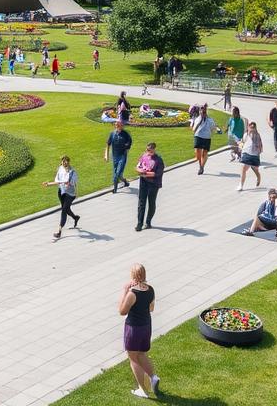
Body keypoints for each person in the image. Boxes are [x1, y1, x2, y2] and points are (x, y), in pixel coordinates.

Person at [118, 264, 158, 399]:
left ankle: (143, 390)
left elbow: (122, 311)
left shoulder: (132, 294)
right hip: (146, 326)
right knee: (142, 354)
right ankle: (153, 377)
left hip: (134, 328)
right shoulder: (151, 290)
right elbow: (151, 308)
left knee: (133, 358)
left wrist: (125, 290)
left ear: (133, 276)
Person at [42, 156, 80, 240]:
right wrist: (48, 184)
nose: (65, 163)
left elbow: (71, 182)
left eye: (66, 162)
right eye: (63, 161)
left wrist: (76, 193)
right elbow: (57, 181)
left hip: (70, 194)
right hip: (61, 192)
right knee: (66, 209)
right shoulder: (60, 169)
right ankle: (75, 217)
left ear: (69, 162)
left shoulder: (72, 172)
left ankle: (59, 231)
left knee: (63, 210)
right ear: (61, 162)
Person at [134, 143, 164, 232]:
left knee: (151, 202)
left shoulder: (158, 160)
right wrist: (139, 170)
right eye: (147, 150)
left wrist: (144, 173)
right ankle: (139, 223)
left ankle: (148, 222)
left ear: (154, 149)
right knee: (141, 203)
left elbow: (157, 173)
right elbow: (137, 166)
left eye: (150, 150)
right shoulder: (144, 156)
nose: (148, 152)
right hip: (143, 182)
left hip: (153, 184)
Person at [105, 120, 133, 193]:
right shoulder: (112, 134)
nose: (117, 125)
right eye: (116, 124)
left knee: (117, 173)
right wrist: (106, 155)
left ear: (122, 125)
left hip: (122, 156)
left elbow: (128, 146)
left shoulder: (126, 134)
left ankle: (115, 189)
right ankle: (125, 181)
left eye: (119, 124)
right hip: (115, 156)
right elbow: (108, 144)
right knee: (118, 174)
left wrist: (124, 155)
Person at [190, 104, 218, 175]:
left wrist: (213, 128)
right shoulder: (197, 119)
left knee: (204, 153)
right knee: (197, 152)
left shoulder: (210, 120)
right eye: (201, 110)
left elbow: (213, 128)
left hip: (206, 137)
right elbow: (193, 129)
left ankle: (202, 167)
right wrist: (199, 122)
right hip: (198, 136)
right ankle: (200, 164)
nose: (203, 112)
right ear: (200, 111)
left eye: (204, 111)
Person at [237, 121, 263, 192]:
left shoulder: (257, 135)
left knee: (255, 169)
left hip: (254, 155)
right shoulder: (246, 135)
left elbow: (260, 146)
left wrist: (259, 151)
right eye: (250, 127)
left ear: (255, 128)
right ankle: (241, 185)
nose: (251, 129)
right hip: (246, 153)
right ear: (248, 127)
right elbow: (243, 142)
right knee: (243, 168)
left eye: (253, 127)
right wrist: (240, 147)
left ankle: (258, 176)